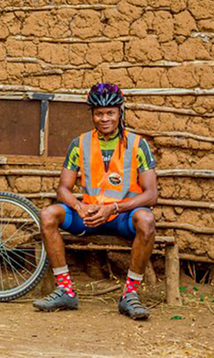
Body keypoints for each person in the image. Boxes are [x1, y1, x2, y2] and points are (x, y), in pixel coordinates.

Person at [33, 83, 158, 320]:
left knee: (147, 219)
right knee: (48, 214)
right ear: (92, 114)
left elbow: (151, 195)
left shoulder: (137, 144)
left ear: (120, 112)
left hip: (122, 216)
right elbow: (63, 189)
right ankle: (66, 291)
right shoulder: (79, 144)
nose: (104, 118)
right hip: (88, 215)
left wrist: (114, 207)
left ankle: (130, 296)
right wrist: (80, 207)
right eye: (99, 113)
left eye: (110, 112)